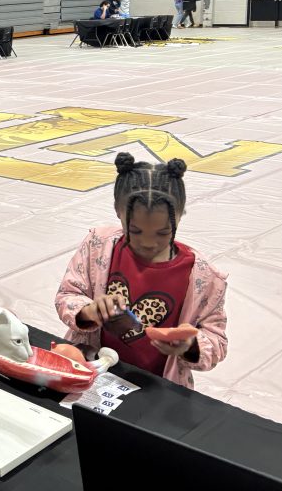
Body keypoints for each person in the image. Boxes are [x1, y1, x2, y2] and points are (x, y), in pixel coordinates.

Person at [55, 152, 227, 388]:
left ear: (179, 215)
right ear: (118, 211)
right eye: (135, 231)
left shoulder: (204, 277)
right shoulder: (98, 246)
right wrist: (89, 312)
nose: (148, 242)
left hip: (158, 389)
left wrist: (190, 346)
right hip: (92, 372)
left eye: (163, 233)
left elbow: (217, 341)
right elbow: (67, 294)